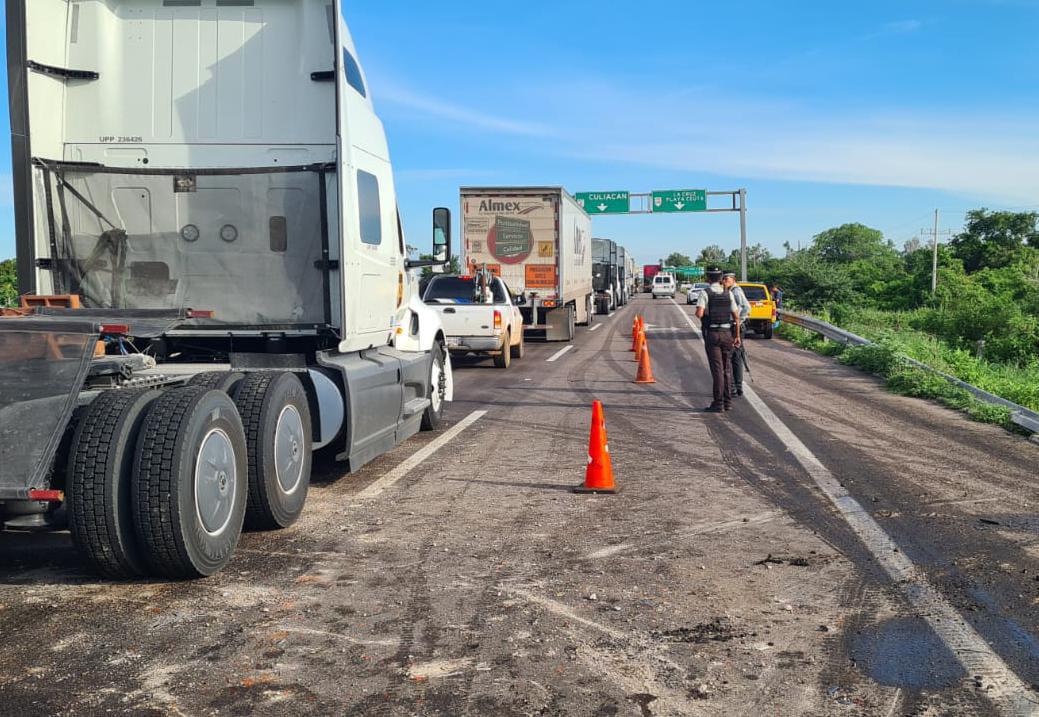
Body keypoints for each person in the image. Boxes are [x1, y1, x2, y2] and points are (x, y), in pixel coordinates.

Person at [695, 268, 741, 412]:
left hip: (713, 334)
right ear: (721, 278)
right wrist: (737, 336)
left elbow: (699, 313)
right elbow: (736, 317)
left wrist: (708, 314)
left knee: (717, 370)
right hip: (727, 334)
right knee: (727, 369)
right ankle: (728, 403)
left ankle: (718, 403)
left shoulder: (705, 293)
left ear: (708, 279)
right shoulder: (728, 293)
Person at [722, 272, 751, 396]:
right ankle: (737, 387)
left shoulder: (735, 291)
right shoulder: (732, 290)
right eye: (723, 279)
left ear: (733, 279)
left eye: (726, 279)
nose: (724, 281)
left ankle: (734, 387)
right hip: (736, 326)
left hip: (735, 327)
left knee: (732, 357)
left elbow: (746, 307)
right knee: (737, 357)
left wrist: (738, 319)